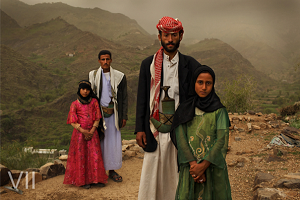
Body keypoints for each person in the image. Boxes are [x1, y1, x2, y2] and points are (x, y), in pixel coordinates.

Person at [135, 16, 201, 200]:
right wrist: (139, 129)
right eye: (166, 35)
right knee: (153, 171)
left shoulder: (191, 64)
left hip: (180, 129)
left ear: (181, 35)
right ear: (159, 37)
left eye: (174, 35)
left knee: (176, 174)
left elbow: (199, 96)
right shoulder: (148, 64)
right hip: (155, 126)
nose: (170, 40)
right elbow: (142, 98)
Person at [171, 65, 232, 200]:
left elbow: (221, 140)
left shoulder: (220, 111)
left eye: (208, 83)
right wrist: (194, 166)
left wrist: (203, 165)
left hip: (212, 167)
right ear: (194, 83)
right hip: (190, 169)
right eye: (200, 82)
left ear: (213, 85)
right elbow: (180, 138)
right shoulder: (184, 109)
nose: (204, 87)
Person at [89, 50, 128, 182]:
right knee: (98, 143)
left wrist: (124, 116)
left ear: (111, 60)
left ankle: (111, 171)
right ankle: (98, 171)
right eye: (103, 59)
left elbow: (124, 98)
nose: (105, 62)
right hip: (98, 116)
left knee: (113, 143)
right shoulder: (93, 75)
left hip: (114, 115)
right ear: (99, 61)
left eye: (107, 59)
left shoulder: (119, 76)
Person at [63, 80, 108, 189]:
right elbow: (72, 121)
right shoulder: (74, 104)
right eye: (83, 89)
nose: (85, 91)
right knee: (81, 156)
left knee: (94, 155)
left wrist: (92, 130)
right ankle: (83, 181)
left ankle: (96, 179)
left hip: (93, 133)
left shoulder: (94, 102)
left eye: (87, 89)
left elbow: (97, 117)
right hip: (79, 135)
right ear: (79, 90)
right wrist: (83, 131)